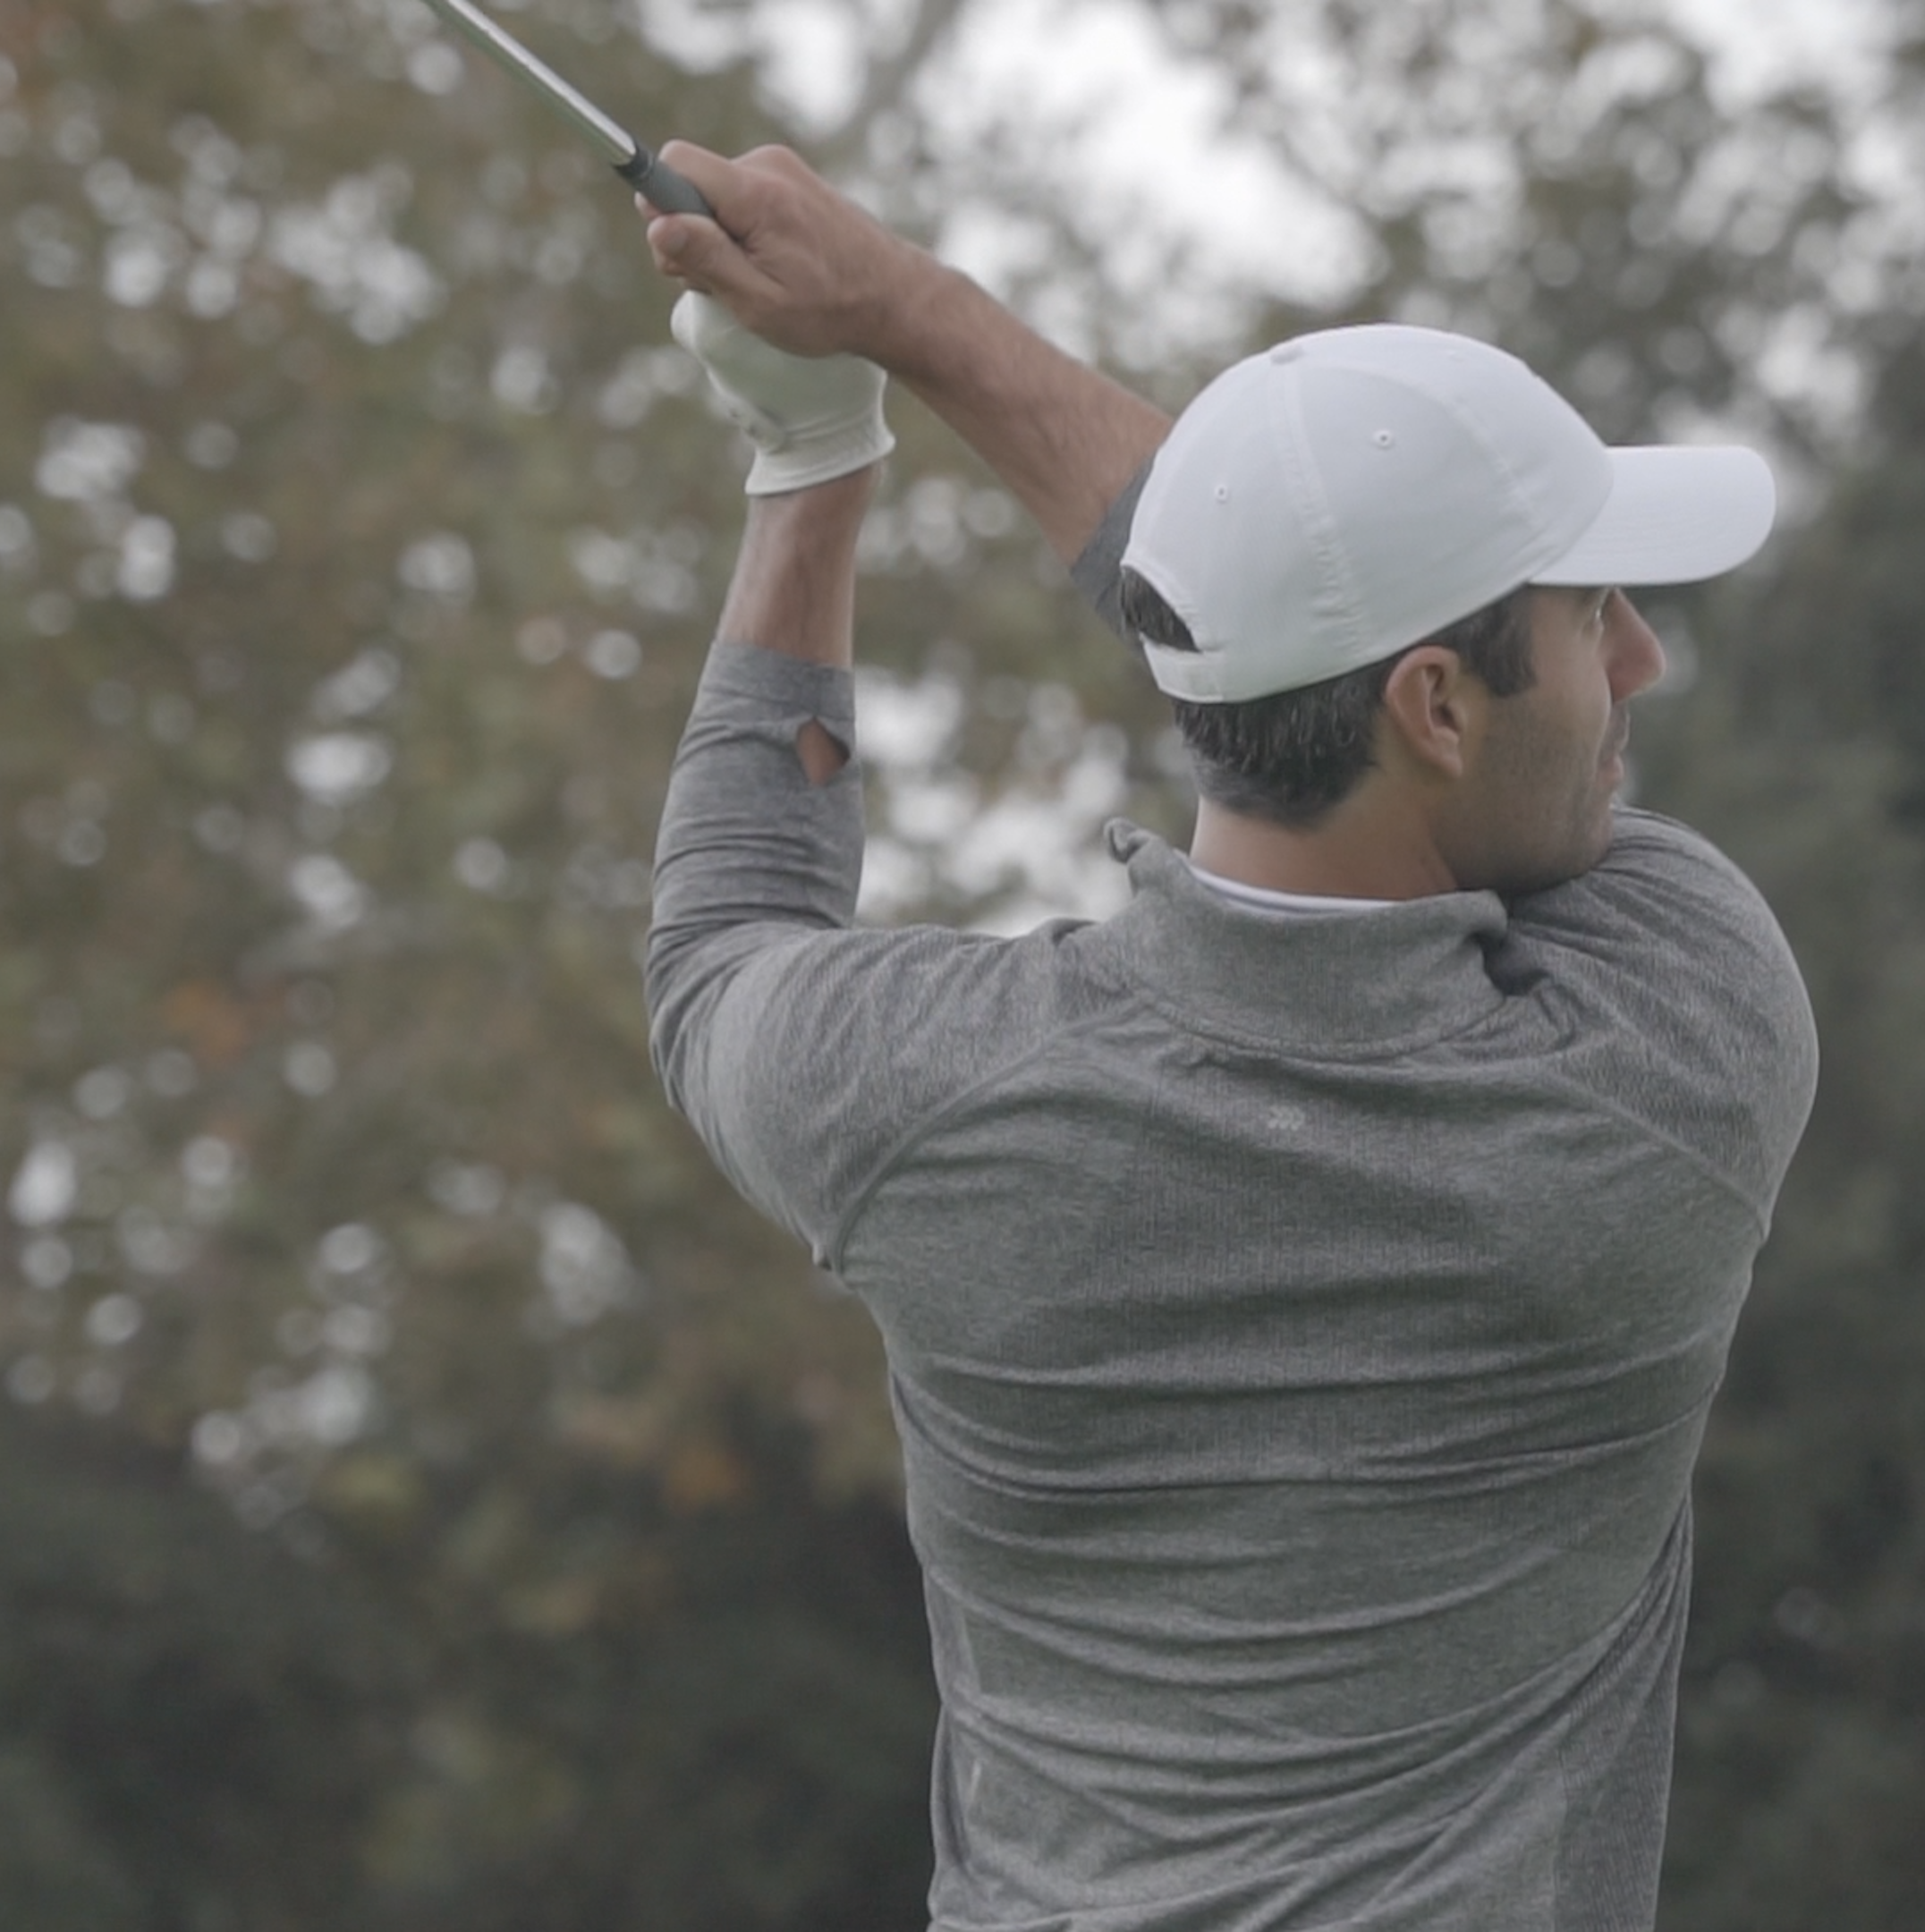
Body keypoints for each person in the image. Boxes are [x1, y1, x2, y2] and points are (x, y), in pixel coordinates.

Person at [635, 140, 1818, 1932]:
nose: (1639, 663)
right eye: (1591, 616)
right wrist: (906, 316)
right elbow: (1216, 591)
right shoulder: (1672, 1056)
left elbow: (722, 942)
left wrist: (812, 462)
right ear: (1435, 706)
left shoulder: (929, 1098)